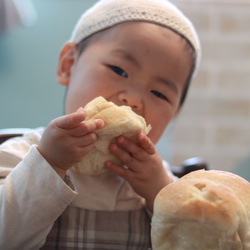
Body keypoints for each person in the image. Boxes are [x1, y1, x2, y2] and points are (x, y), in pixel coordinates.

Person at [0, 0, 201, 249]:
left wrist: (159, 193)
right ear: (69, 65)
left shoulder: (163, 184)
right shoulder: (16, 157)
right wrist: (49, 164)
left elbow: (196, 241)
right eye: (119, 70)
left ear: (176, 113)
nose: (133, 100)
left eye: (159, 94)